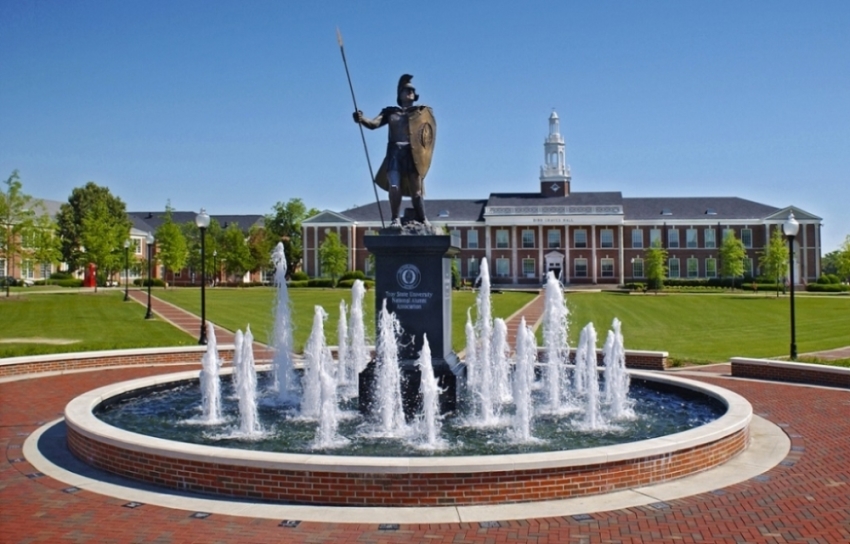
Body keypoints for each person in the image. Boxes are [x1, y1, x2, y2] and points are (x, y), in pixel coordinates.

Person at [353, 74, 434, 228]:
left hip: (413, 154)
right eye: (406, 89)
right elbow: (373, 124)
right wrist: (361, 119)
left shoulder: (421, 112)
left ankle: (423, 219)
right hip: (395, 153)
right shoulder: (390, 112)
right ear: (399, 94)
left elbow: (427, 137)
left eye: (412, 90)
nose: (409, 92)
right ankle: (395, 218)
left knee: (416, 192)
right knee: (394, 186)